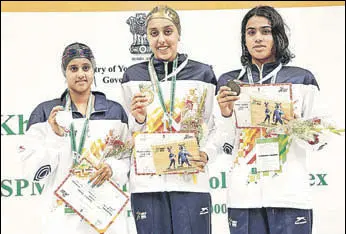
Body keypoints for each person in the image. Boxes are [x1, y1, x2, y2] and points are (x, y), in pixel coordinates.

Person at [216, 5, 322, 234]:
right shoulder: (230, 82)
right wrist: (225, 114)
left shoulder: (302, 79)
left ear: (278, 36)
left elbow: (320, 139)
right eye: (251, 32)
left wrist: (298, 127)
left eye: (266, 31)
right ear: (244, 39)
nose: (258, 38)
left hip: (289, 195)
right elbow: (224, 145)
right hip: (244, 196)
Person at [121, 5, 218, 234]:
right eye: (154, 33)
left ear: (178, 34)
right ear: (147, 37)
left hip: (190, 181)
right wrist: (139, 119)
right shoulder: (132, 76)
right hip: (147, 184)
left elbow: (214, 125)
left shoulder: (202, 74)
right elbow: (129, 132)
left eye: (168, 31)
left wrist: (207, 153)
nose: (161, 40)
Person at [19, 42, 131, 234]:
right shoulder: (45, 113)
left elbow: (128, 157)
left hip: (103, 212)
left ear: (93, 70)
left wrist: (112, 167)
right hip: (62, 216)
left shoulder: (115, 111)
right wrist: (55, 136)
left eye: (86, 67)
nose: (81, 74)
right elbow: (35, 174)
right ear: (65, 72)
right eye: (74, 68)